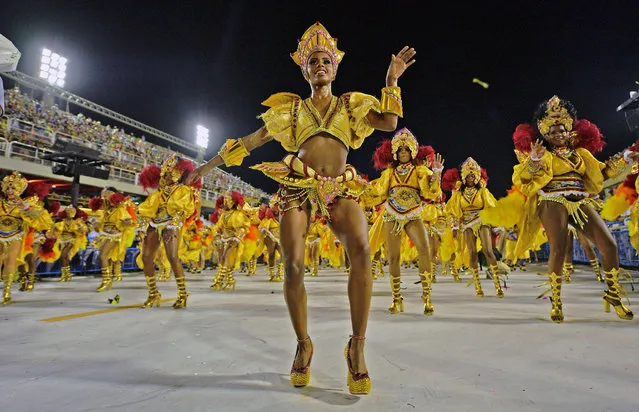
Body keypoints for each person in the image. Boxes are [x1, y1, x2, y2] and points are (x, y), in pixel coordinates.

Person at [187, 22, 416, 394]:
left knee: (361, 251)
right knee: (293, 265)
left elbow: (389, 123)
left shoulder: (351, 104)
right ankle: (303, 343)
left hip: (341, 187)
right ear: (304, 70)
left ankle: (356, 346)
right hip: (298, 186)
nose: (320, 65)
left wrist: (391, 79)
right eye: (313, 61)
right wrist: (205, 167)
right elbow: (251, 140)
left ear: (335, 68)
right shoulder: (290, 111)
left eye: (326, 60)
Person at [511, 95, 635, 323]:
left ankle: (614, 295)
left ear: (570, 131)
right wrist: (534, 161)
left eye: (562, 130)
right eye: (552, 131)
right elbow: (522, 179)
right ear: (545, 135)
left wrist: (626, 158)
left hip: (580, 200)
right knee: (558, 250)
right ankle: (556, 301)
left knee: (609, 245)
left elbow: (604, 173)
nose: (558, 134)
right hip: (552, 201)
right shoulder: (542, 155)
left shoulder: (582, 155)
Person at [364, 128, 443, 315]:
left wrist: (437, 173)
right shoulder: (389, 173)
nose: (403, 153)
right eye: (400, 150)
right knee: (393, 256)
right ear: (395, 153)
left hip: (413, 213)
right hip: (392, 213)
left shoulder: (420, 170)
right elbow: (378, 193)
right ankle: (396, 297)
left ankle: (427, 296)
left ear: (412, 152)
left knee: (424, 250)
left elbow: (430, 191)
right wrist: (359, 190)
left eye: (406, 150)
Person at [137, 154, 200, 309]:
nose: (169, 174)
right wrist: (142, 225)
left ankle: (183, 294)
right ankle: (153, 294)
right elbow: (148, 209)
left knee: (172, 257)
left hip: (172, 224)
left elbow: (185, 209)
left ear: (180, 173)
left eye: (173, 171)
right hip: (155, 222)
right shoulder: (159, 192)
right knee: (146, 257)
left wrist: (175, 221)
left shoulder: (183, 190)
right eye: (166, 171)